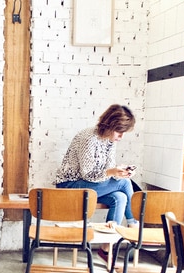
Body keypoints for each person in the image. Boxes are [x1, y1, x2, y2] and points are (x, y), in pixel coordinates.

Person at [54, 104, 138, 257]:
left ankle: (106, 249)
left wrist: (119, 171)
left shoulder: (110, 141)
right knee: (125, 184)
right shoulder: (89, 138)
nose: (121, 136)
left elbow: (108, 168)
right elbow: (88, 175)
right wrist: (114, 173)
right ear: (110, 125)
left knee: (120, 197)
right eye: (119, 131)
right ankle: (134, 226)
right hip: (70, 185)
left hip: (91, 188)